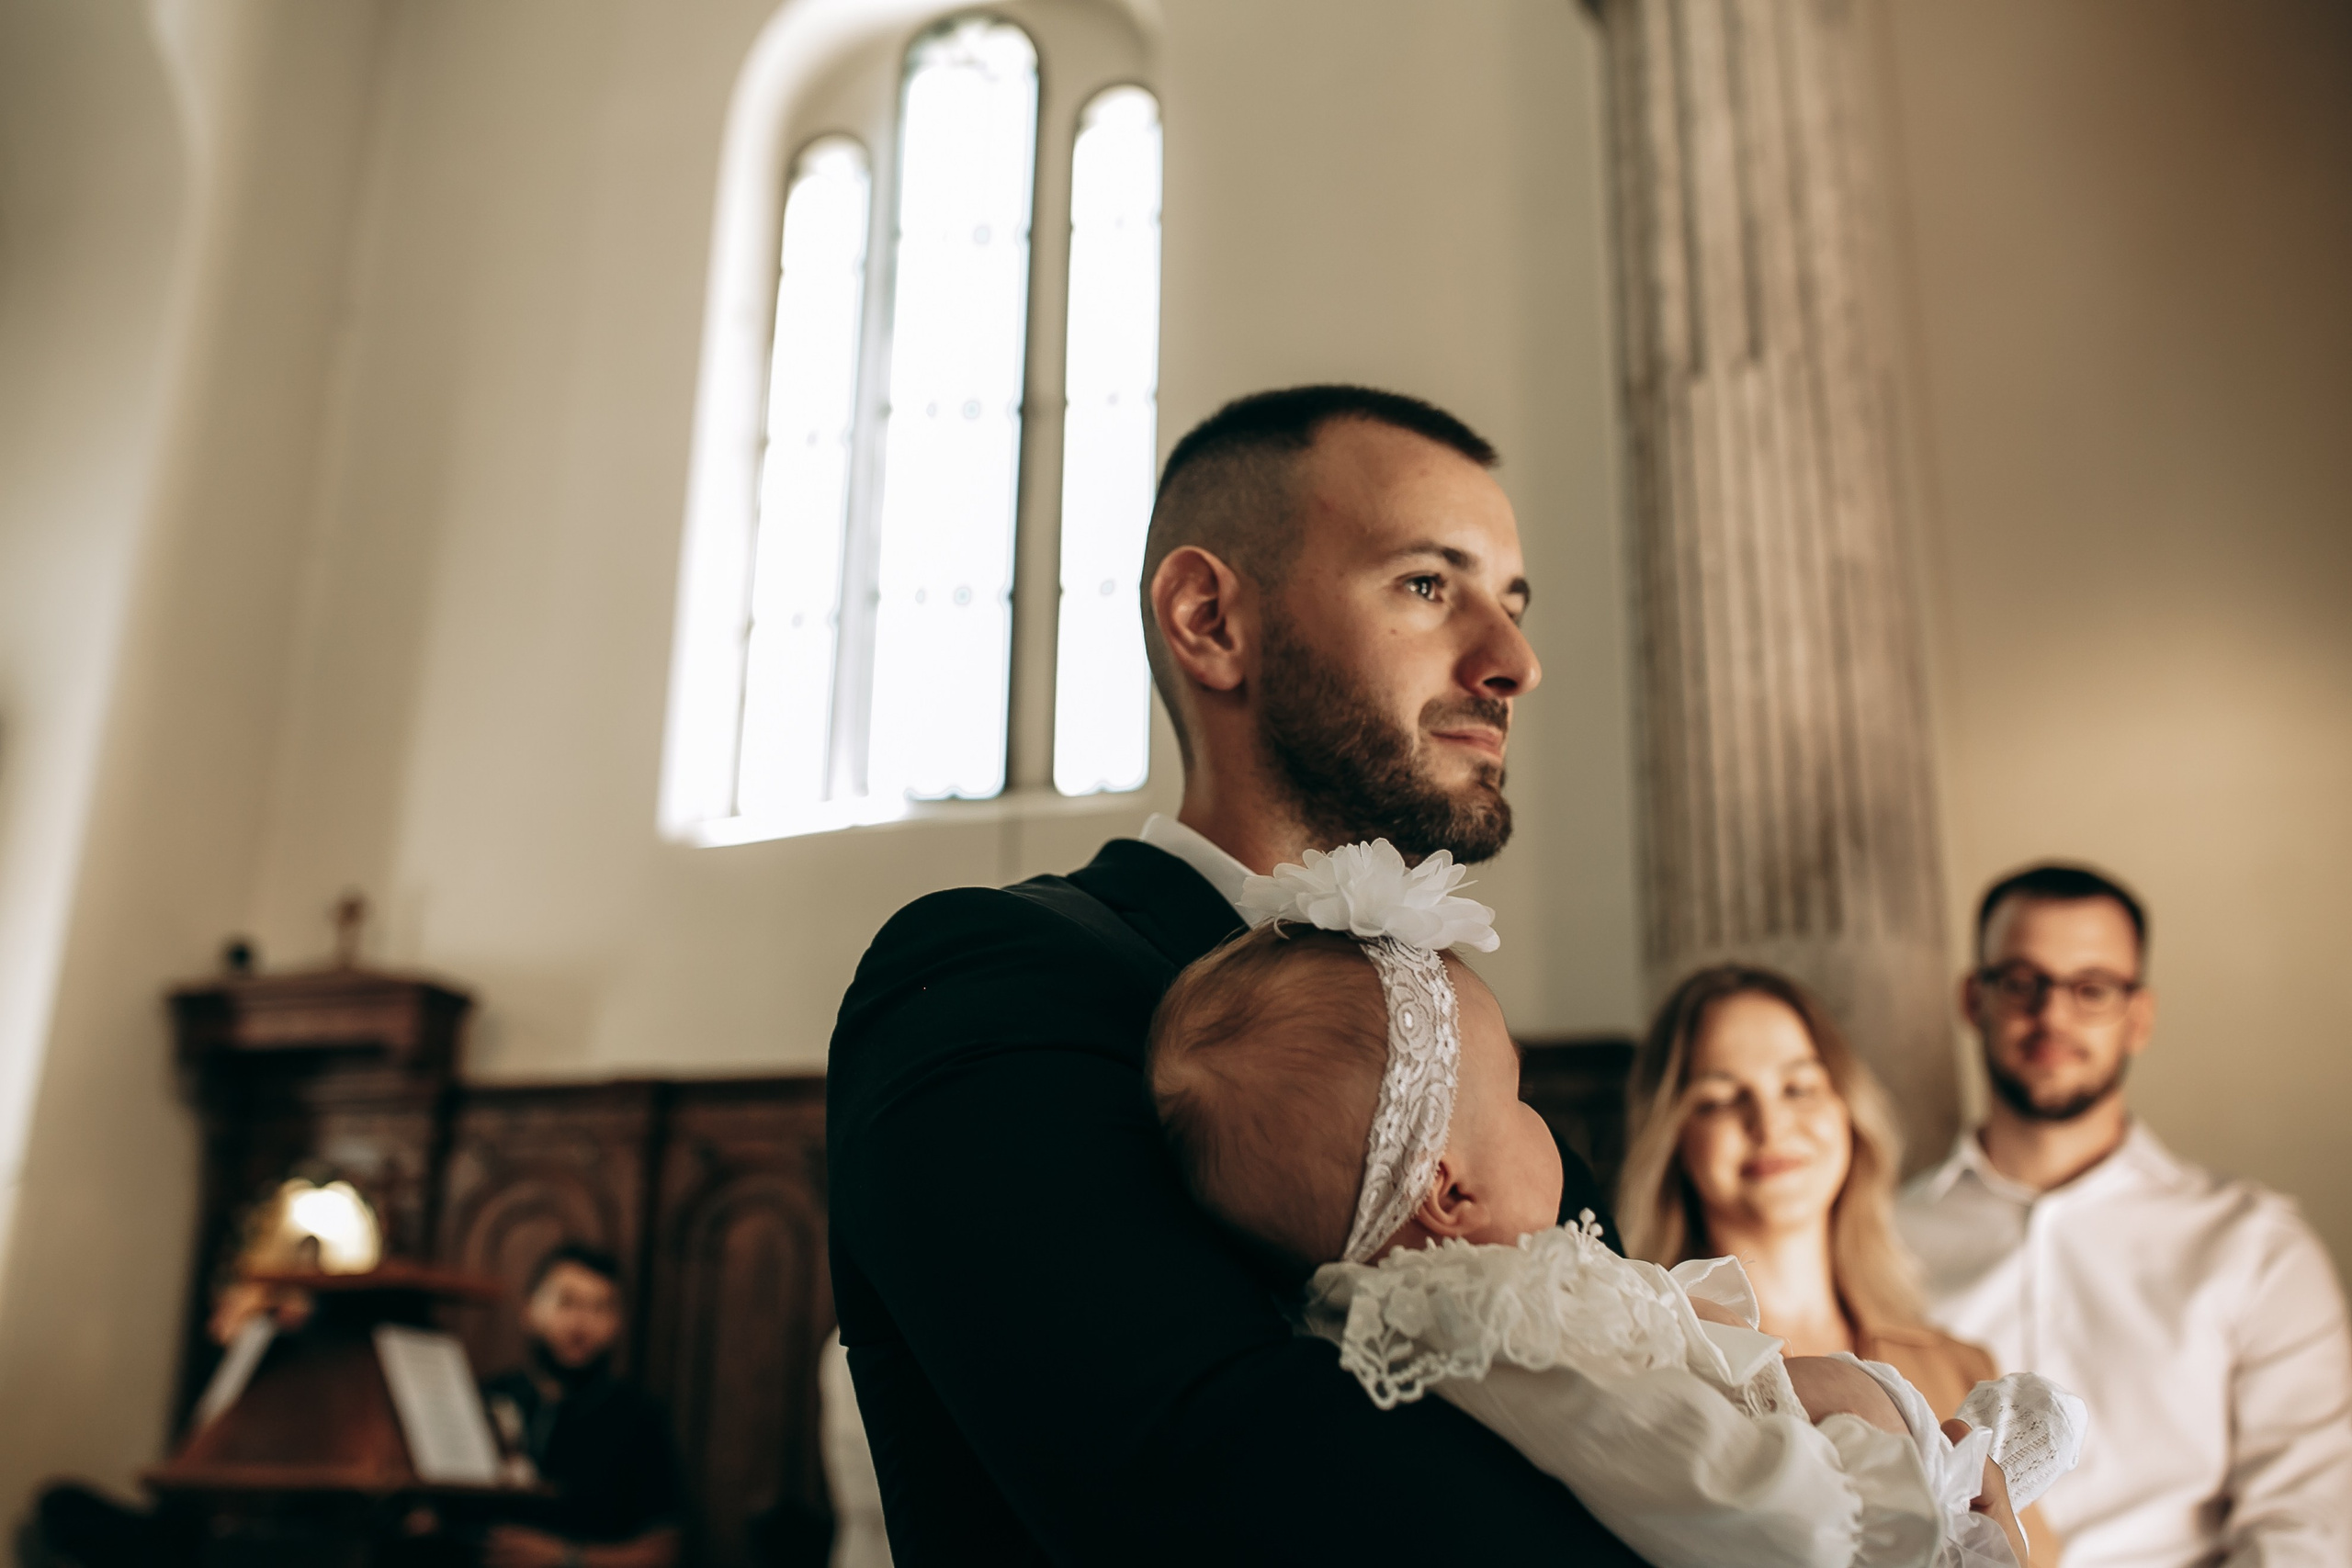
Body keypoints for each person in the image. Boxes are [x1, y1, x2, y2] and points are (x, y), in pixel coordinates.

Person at [827, 386, 1634, 1564]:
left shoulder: (1482, 1084)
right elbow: (1227, 1491)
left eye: (1510, 602)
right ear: (1208, 619)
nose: (1513, 661)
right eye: (1427, 583)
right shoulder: (992, 985)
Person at [1146, 849, 2058, 1568]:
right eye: (1515, 1097)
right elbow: (1742, 1500)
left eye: (1797, 1085)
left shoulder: (1528, 1303)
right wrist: (1888, 1453)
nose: (1766, 1122)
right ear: (1450, 1191)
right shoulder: (1497, 1323)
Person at [1897, 863, 2352, 1564]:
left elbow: (2306, 1520)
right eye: (2022, 981)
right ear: (1972, 998)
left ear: (2138, 1015)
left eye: (2092, 988)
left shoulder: (2257, 1244)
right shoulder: (1881, 1237)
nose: (2052, 1014)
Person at [1614, 964, 2065, 1565]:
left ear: (1848, 1109)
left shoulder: (1961, 1366)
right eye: (1720, 1098)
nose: (1769, 1123)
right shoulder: (1649, 1356)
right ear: (1672, 1136)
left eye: (1798, 1086)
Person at [475, 1243, 684, 1568]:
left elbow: (665, 1551)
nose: (581, 1324)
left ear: (619, 1324)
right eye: (566, 1302)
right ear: (529, 1310)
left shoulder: (639, 1418)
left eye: (600, 1308)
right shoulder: (483, 1398)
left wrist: (564, 1558)